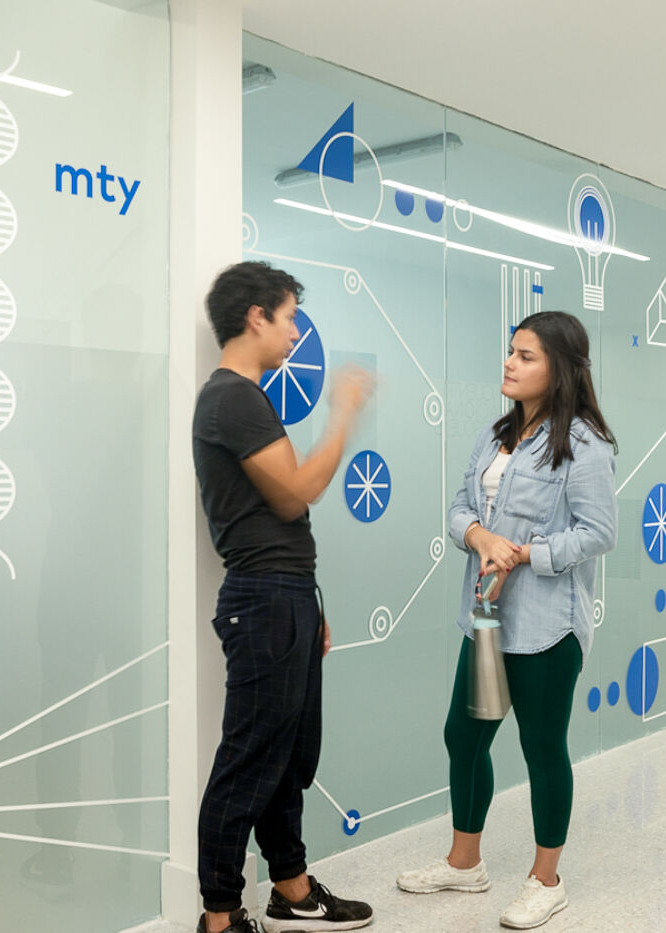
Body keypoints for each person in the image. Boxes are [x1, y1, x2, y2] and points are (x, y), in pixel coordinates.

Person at [396, 310, 617, 930]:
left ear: (560, 369)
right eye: (510, 352)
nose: (510, 364)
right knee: (463, 738)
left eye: (526, 356)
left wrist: (526, 553)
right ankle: (465, 864)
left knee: (543, 749)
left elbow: (599, 533)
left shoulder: (585, 445)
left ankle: (547, 879)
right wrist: (477, 534)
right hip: (486, 621)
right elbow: (461, 505)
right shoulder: (495, 435)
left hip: (548, 625)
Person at [193, 261, 375, 933]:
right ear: (255, 317)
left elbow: (279, 513)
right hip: (265, 597)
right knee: (249, 757)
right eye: (291, 315)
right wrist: (344, 414)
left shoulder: (247, 396)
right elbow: (296, 491)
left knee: (288, 754)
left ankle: (292, 887)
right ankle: (219, 915)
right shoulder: (231, 397)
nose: (298, 331)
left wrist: (310, 605)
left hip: (286, 594)